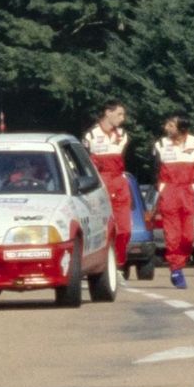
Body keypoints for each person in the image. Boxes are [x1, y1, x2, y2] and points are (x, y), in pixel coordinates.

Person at [85, 102, 136, 273]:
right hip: (101, 183)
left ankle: (119, 263)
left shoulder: (123, 135)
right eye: (120, 114)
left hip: (119, 182)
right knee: (103, 228)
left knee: (125, 230)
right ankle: (104, 267)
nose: (123, 118)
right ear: (108, 112)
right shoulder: (90, 136)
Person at [154, 116, 194, 289]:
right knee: (172, 235)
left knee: (188, 237)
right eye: (167, 124)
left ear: (181, 128)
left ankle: (180, 260)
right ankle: (176, 269)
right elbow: (155, 169)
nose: (166, 127)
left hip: (187, 191)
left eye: (171, 125)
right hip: (169, 191)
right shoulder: (160, 145)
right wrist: (162, 189)